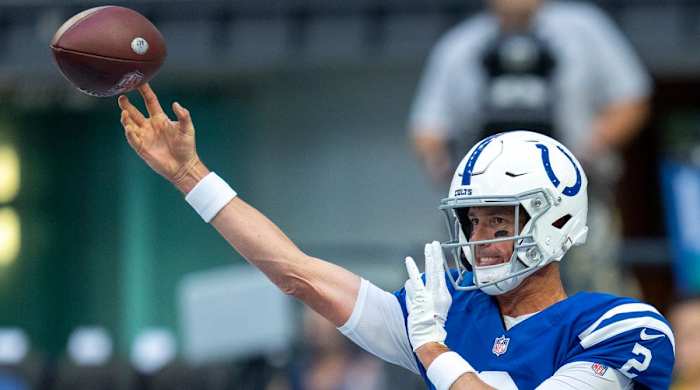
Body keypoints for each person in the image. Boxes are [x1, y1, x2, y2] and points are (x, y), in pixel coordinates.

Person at [117, 85, 674, 389]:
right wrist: (191, 176)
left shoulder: (618, 328)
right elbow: (298, 274)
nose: (480, 239)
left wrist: (432, 349)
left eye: (499, 223)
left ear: (553, 222)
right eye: (473, 221)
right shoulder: (450, 307)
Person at [409, 0, 651, 294]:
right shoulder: (460, 45)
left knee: (594, 286)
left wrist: (579, 157)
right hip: (487, 202)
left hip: (575, 197)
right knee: (470, 288)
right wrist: (451, 173)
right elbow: (427, 128)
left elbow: (631, 101)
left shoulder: (584, 29)